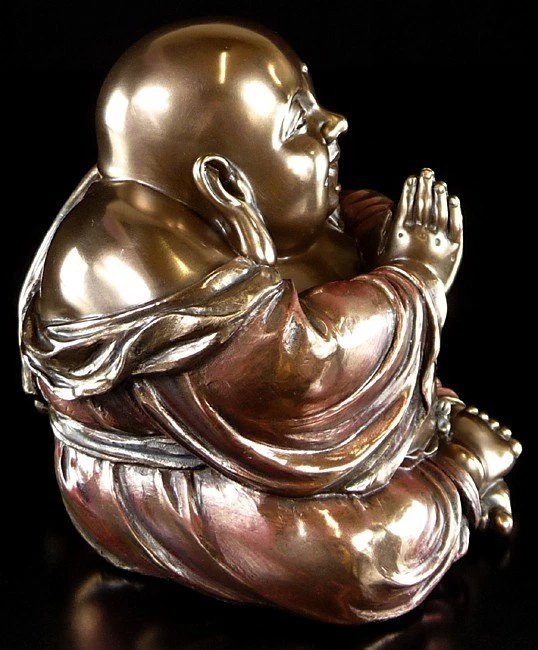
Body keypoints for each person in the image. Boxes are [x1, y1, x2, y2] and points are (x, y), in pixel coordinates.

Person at [19, 21, 520, 624]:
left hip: (277, 451)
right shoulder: (128, 265)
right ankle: (461, 470)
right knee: (359, 560)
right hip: (159, 483)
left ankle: (426, 449)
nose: (334, 124)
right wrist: (414, 278)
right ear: (222, 182)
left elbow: (321, 232)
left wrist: (383, 237)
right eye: (298, 123)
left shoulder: (203, 202)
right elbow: (300, 373)